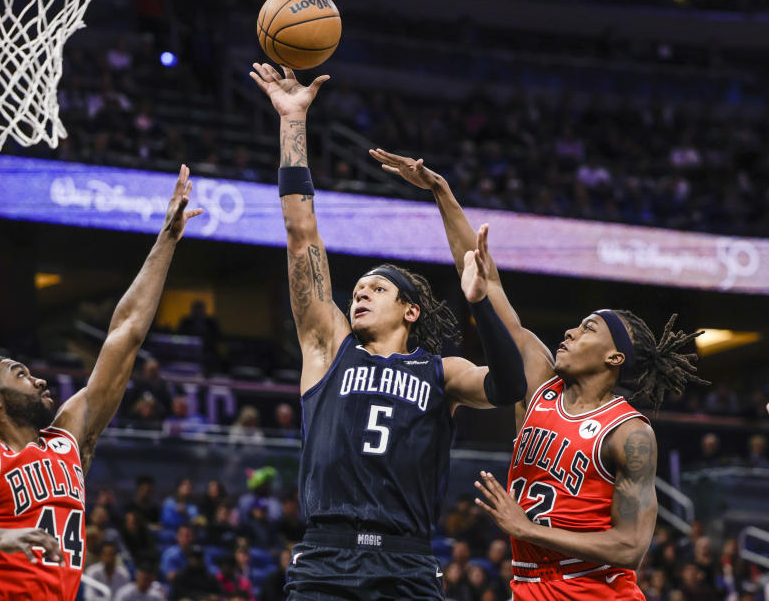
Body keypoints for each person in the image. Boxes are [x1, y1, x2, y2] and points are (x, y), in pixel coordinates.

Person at [369, 148, 711, 600]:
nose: (570, 332)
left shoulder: (628, 433)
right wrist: (441, 192)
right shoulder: (539, 386)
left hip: (594, 592)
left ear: (615, 359)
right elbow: (484, 279)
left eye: (589, 329)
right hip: (528, 587)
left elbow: (630, 547)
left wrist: (526, 528)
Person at [251, 62, 528, 600]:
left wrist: (480, 306)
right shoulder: (328, 347)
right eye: (357, 287)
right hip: (325, 559)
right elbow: (299, 231)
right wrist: (292, 121)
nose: (358, 292)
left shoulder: (440, 372)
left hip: (406, 562)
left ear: (411, 311)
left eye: (376, 289)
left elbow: (510, 387)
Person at [0, 167, 202, 601]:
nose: (38, 378)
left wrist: (166, 241)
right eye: (19, 373)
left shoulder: (68, 440)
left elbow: (125, 334)